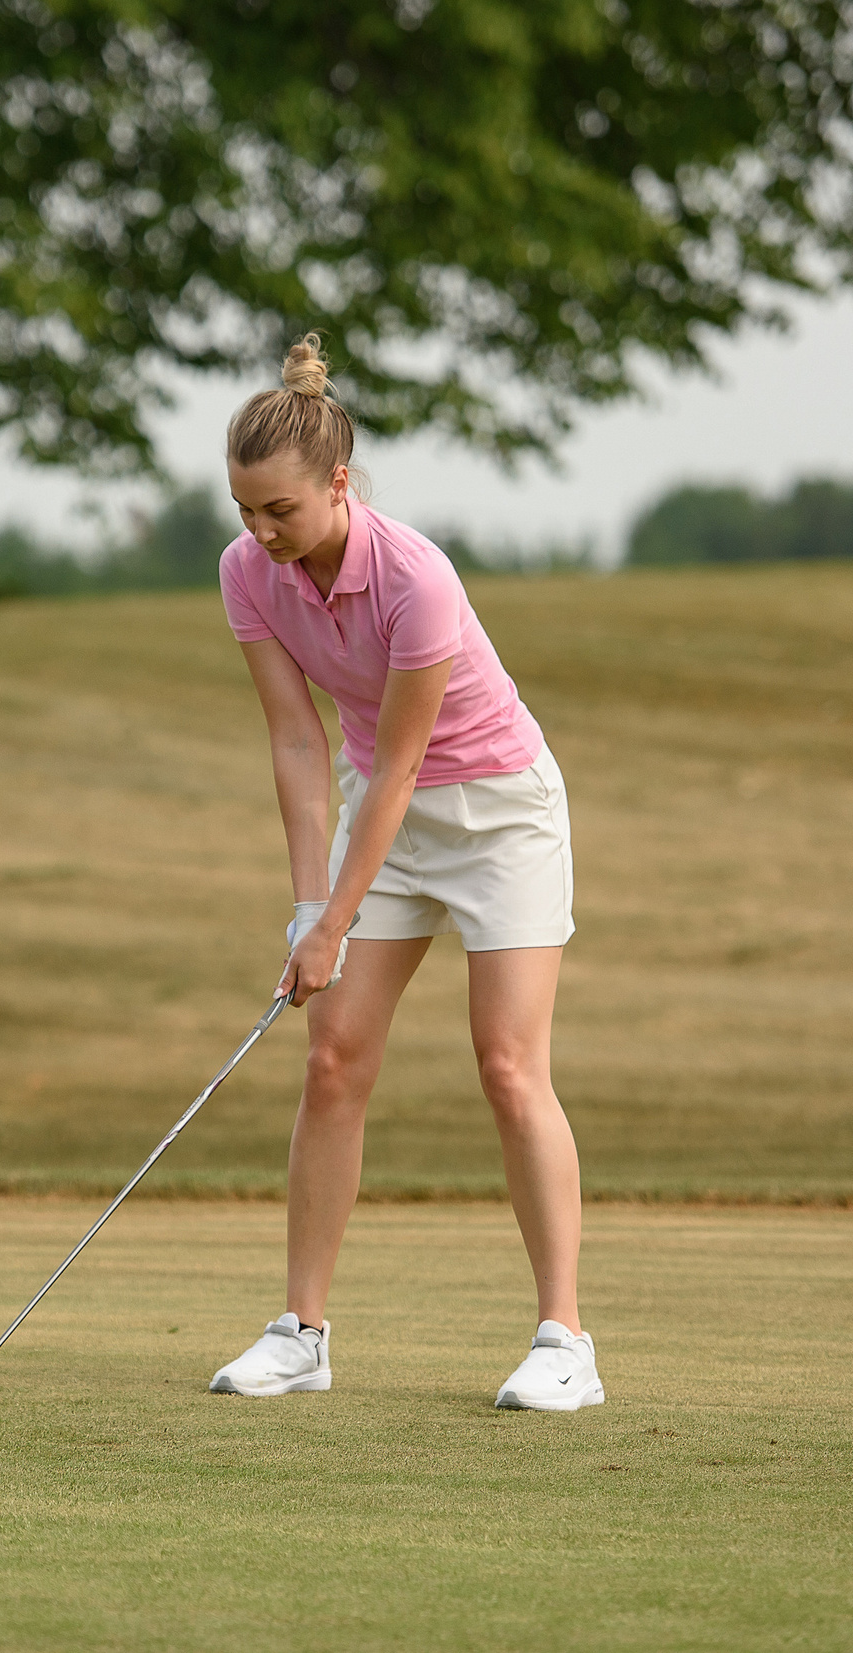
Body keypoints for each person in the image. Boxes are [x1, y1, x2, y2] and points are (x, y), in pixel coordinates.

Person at [208, 333, 598, 1412]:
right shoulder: (251, 574)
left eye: (280, 511)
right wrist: (305, 908)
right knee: (332, 1057)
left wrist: (335, 919)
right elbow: (297, 741)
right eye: (245, 512)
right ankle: (301, 1331)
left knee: (507, 1063)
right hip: (386, 809)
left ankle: (565, 1338)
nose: (261, 533)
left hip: (497, 815)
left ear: (339, 483)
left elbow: (409, 760)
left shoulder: (416, 578)